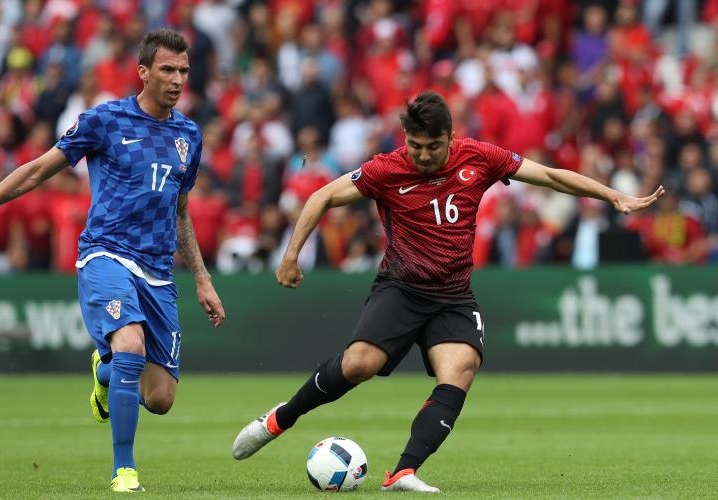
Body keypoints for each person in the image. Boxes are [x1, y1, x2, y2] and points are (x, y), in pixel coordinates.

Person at [231, 91, 664, 493]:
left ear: (450, 138)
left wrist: (612, 196)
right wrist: (290, 256)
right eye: (415, 145)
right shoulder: (387, 167)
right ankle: (279, 419)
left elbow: (548, 175)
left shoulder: (480, 157)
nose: (422, 155)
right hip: (401, 288)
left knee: (461, 368)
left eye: (431, 147)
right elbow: (322, 196)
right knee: (359, 364)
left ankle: (404, 471)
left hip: (453, 295)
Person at [0, 28, 226, 493]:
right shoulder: (104, 120)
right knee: (130, 344)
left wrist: (203, 280)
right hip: (106, 254)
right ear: (143, 72)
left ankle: (104, 370)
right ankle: (124, 470)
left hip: (157, 271)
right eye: (168, 70)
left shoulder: (188, 135)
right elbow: (36, 170)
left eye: (184, 70)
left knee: (161, 398)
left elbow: (181, 212)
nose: (177, 79)